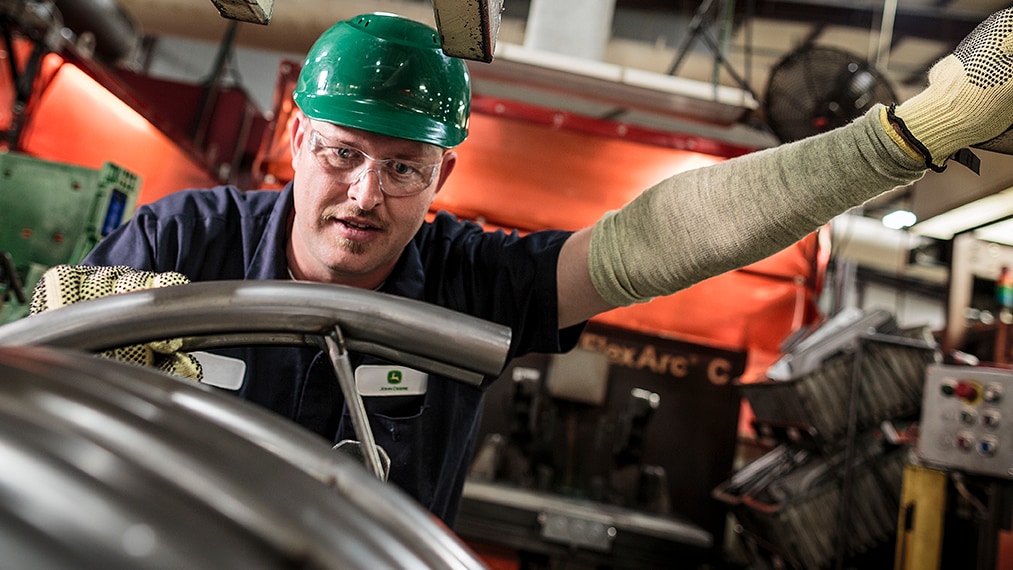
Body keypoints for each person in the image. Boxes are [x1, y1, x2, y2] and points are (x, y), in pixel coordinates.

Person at [70, 9, 1013, 526]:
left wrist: (900, 139)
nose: (366, 192)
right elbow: (50, 384)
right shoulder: (179, 245)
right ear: (297, 137)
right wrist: (80, 356)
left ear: (445, 172)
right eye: (343, 153)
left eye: (404, 167)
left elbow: (665, 236)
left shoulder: (468, 279)